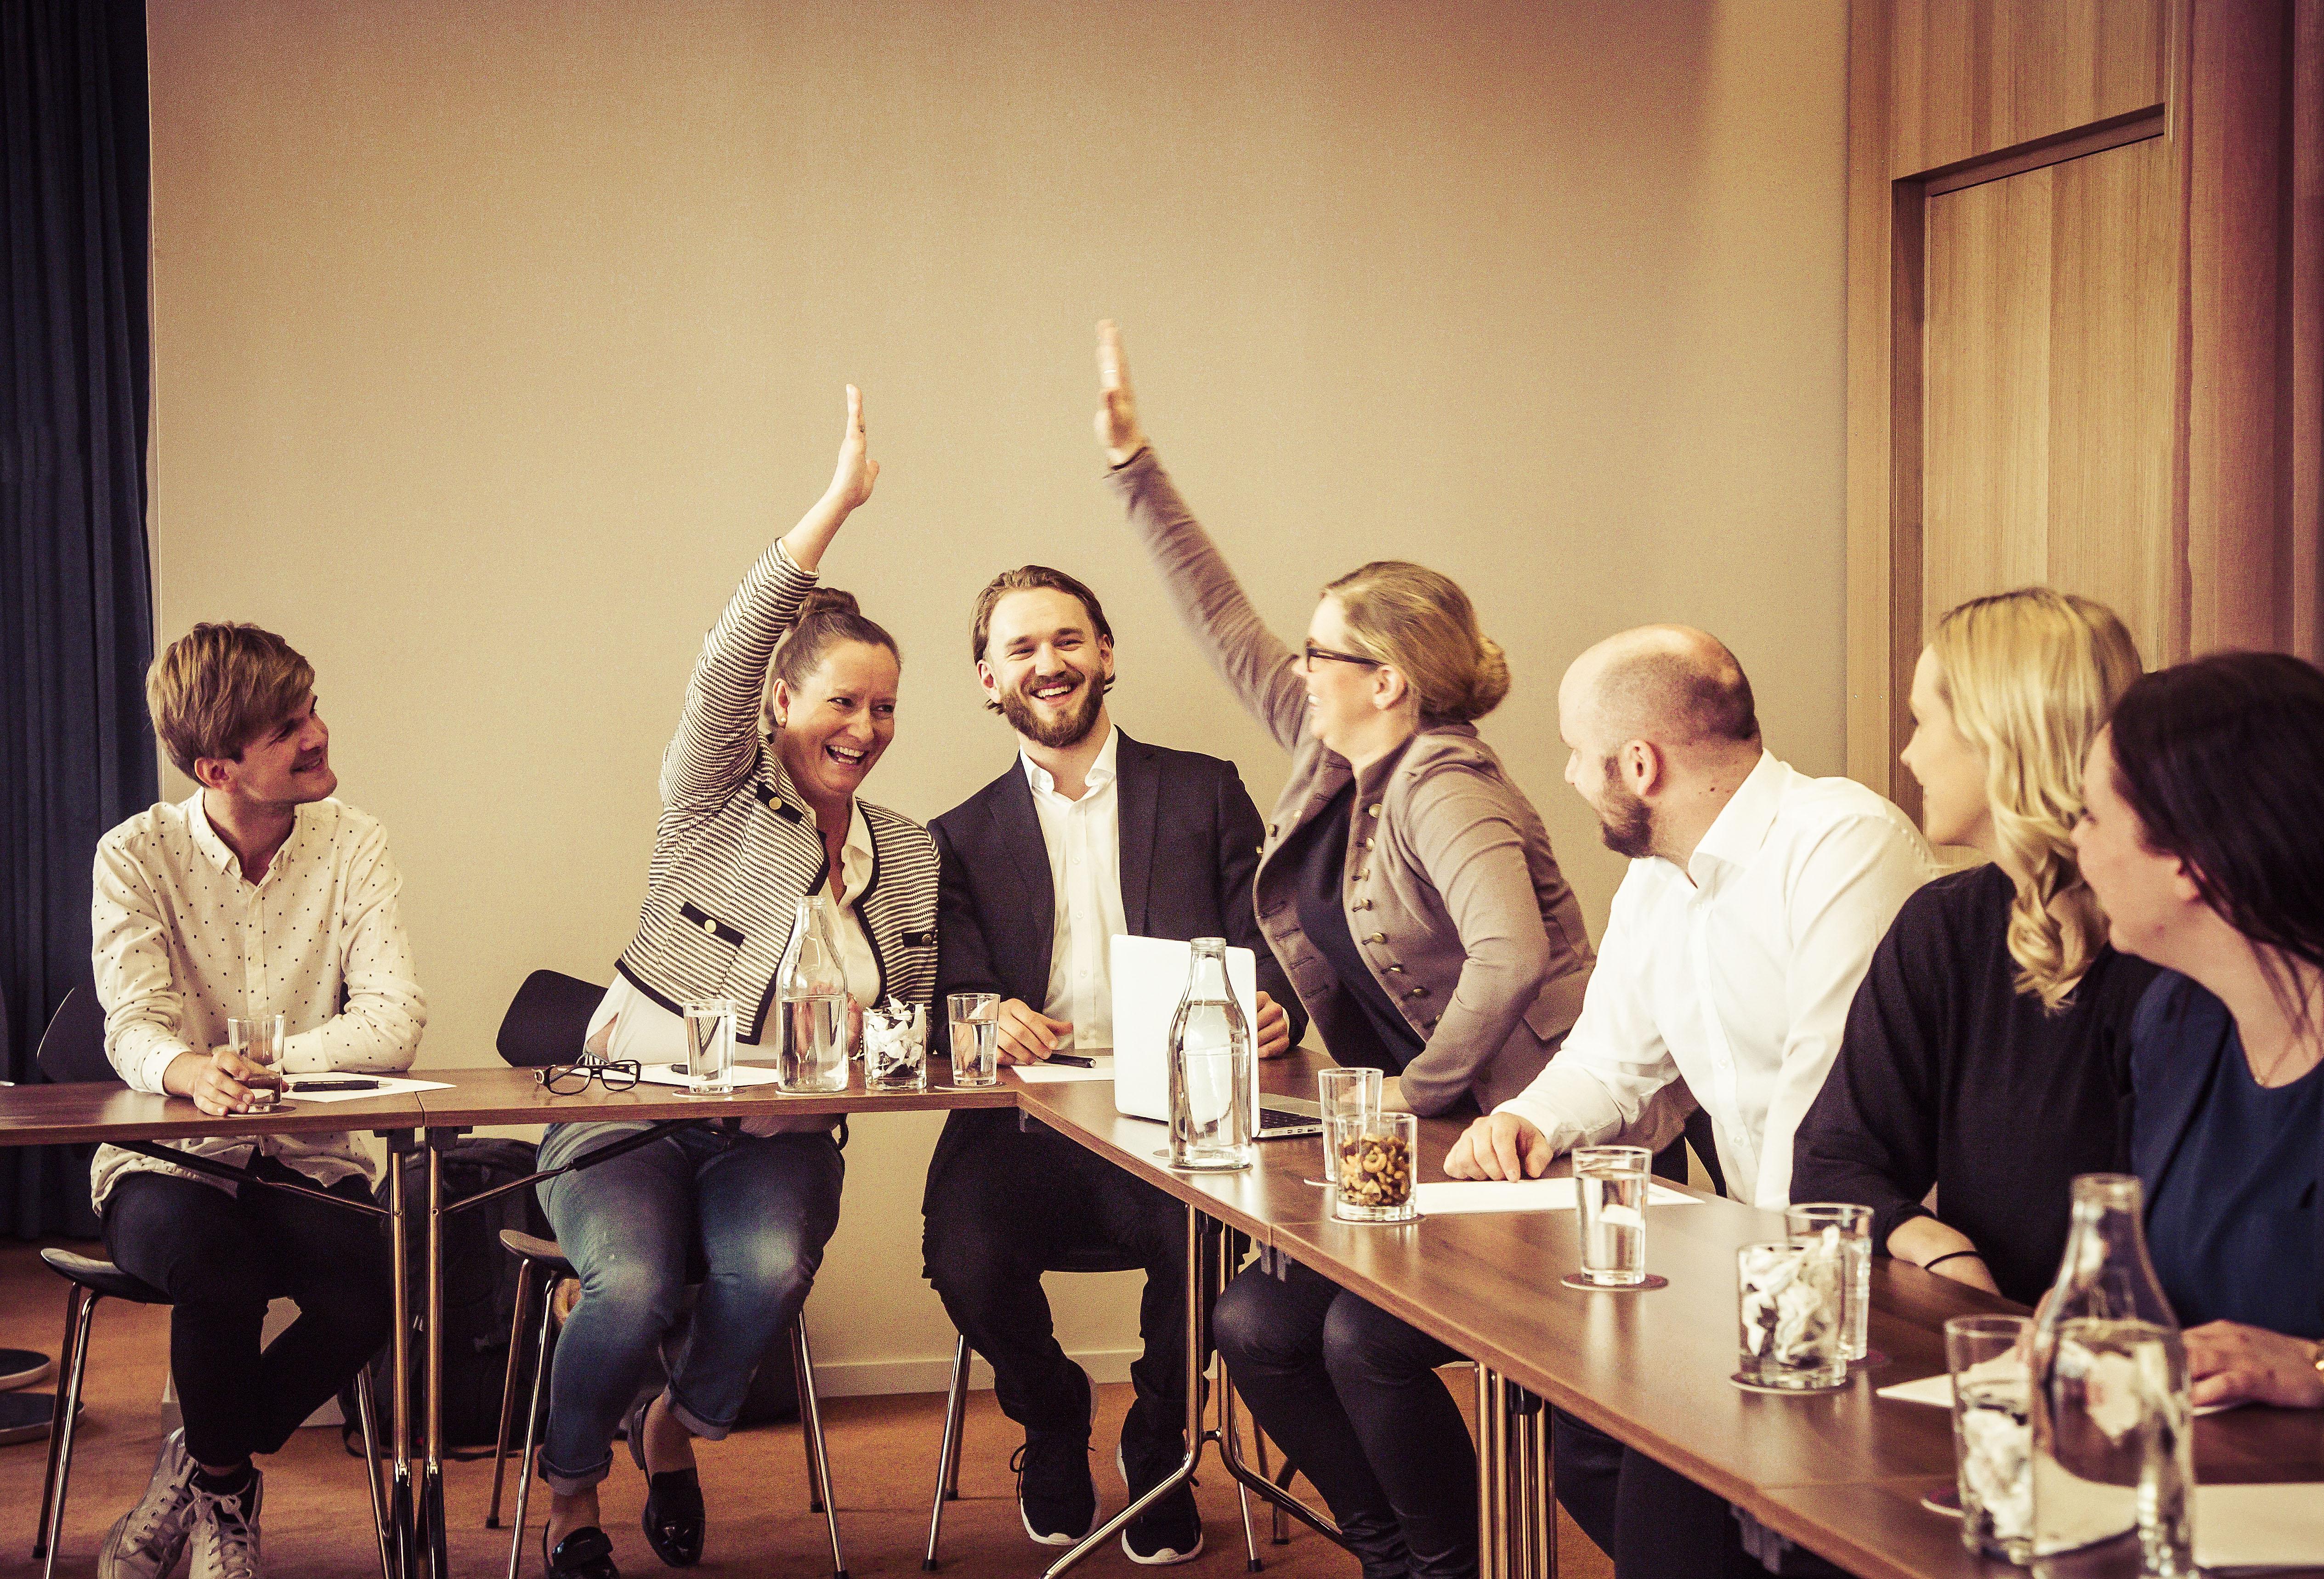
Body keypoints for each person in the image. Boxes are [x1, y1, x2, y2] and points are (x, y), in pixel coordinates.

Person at [1093, 321, 1594, 1579]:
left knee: (1366, 1339)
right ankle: (1390, 1552)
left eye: (1324, 652)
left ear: (1388, 676)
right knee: (1257, 1322)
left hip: (1516, 1140)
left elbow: (1512, 954)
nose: (1297, 667)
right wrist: (1135, 467)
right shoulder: (1335, 748)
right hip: (1414, 1153)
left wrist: (1396, 1115)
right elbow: (1225, 624)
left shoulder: (1443, 780)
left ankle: (1448, 1562)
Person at [534, 388, 935, 1579]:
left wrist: (914, 1045)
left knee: (763, 1269)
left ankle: (673, 1428)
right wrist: (834, 508)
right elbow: (727, 652)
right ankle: (569, 1499)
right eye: (841, 701)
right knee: (634, 1277)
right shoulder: (714, 800)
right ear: (782, 706)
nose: (864, 727)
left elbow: (910, 1018)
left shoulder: (906, 852)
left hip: (782, 1138)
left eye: (884, 706)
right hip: (627, 1120)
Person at [1445, 620, 1936, 1577]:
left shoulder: (1843, 842)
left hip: (1878, 1267)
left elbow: (1822, 1105)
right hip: (1758, 1261)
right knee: (1588, 1441)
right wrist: (1526, 1118)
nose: (1572, 775)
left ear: (1639, 761)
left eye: (1580, 754)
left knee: (1661, 1476)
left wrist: (1752, 1306)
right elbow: (1612, 1057)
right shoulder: (1655, 883)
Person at [922, 560, 1305, 1567]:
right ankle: (1053, 1419)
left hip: (1180, 1113)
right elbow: (944, 992)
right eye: (1022, 648)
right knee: (963, 1253)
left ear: (1105, 654)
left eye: (1067, 640)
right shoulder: (953, 838)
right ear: (987, 677)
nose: (1049, 663)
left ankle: (1159, 1439)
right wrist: (982, 1012)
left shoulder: (1206, 790)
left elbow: (1280, 943)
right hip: (1023, 1123)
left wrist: (1278, 1007)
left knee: (1207, 1248)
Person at [91, 622, 426, 1579]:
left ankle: (204, 1459)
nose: (318, 733)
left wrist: (268, 1067)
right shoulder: (135, 854)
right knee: (217, 1269)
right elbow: (131, 1024)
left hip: (305, 1156)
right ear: (217, 765)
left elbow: (395, 1014)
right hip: (166, 1164)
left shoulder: (356, 842)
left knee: (376, 1285)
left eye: (310, 705)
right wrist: (188, 1071)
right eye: (287, 727)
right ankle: (230, 1494)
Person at [1792, 588, 2157, 1304]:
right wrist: (1944, 1255)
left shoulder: (2168, 946)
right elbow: (1833, 1162)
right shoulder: (1943, 927)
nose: (1906, 753)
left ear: (2003, 737)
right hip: (1986, 1353)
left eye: (1922, 722)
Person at [2073, 651, 2324, 1410]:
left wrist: (2315, 1368)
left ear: (2190, 861)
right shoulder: (2176, 1022)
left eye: (2088, 814)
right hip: (2204, 1490)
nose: (2074, 844)